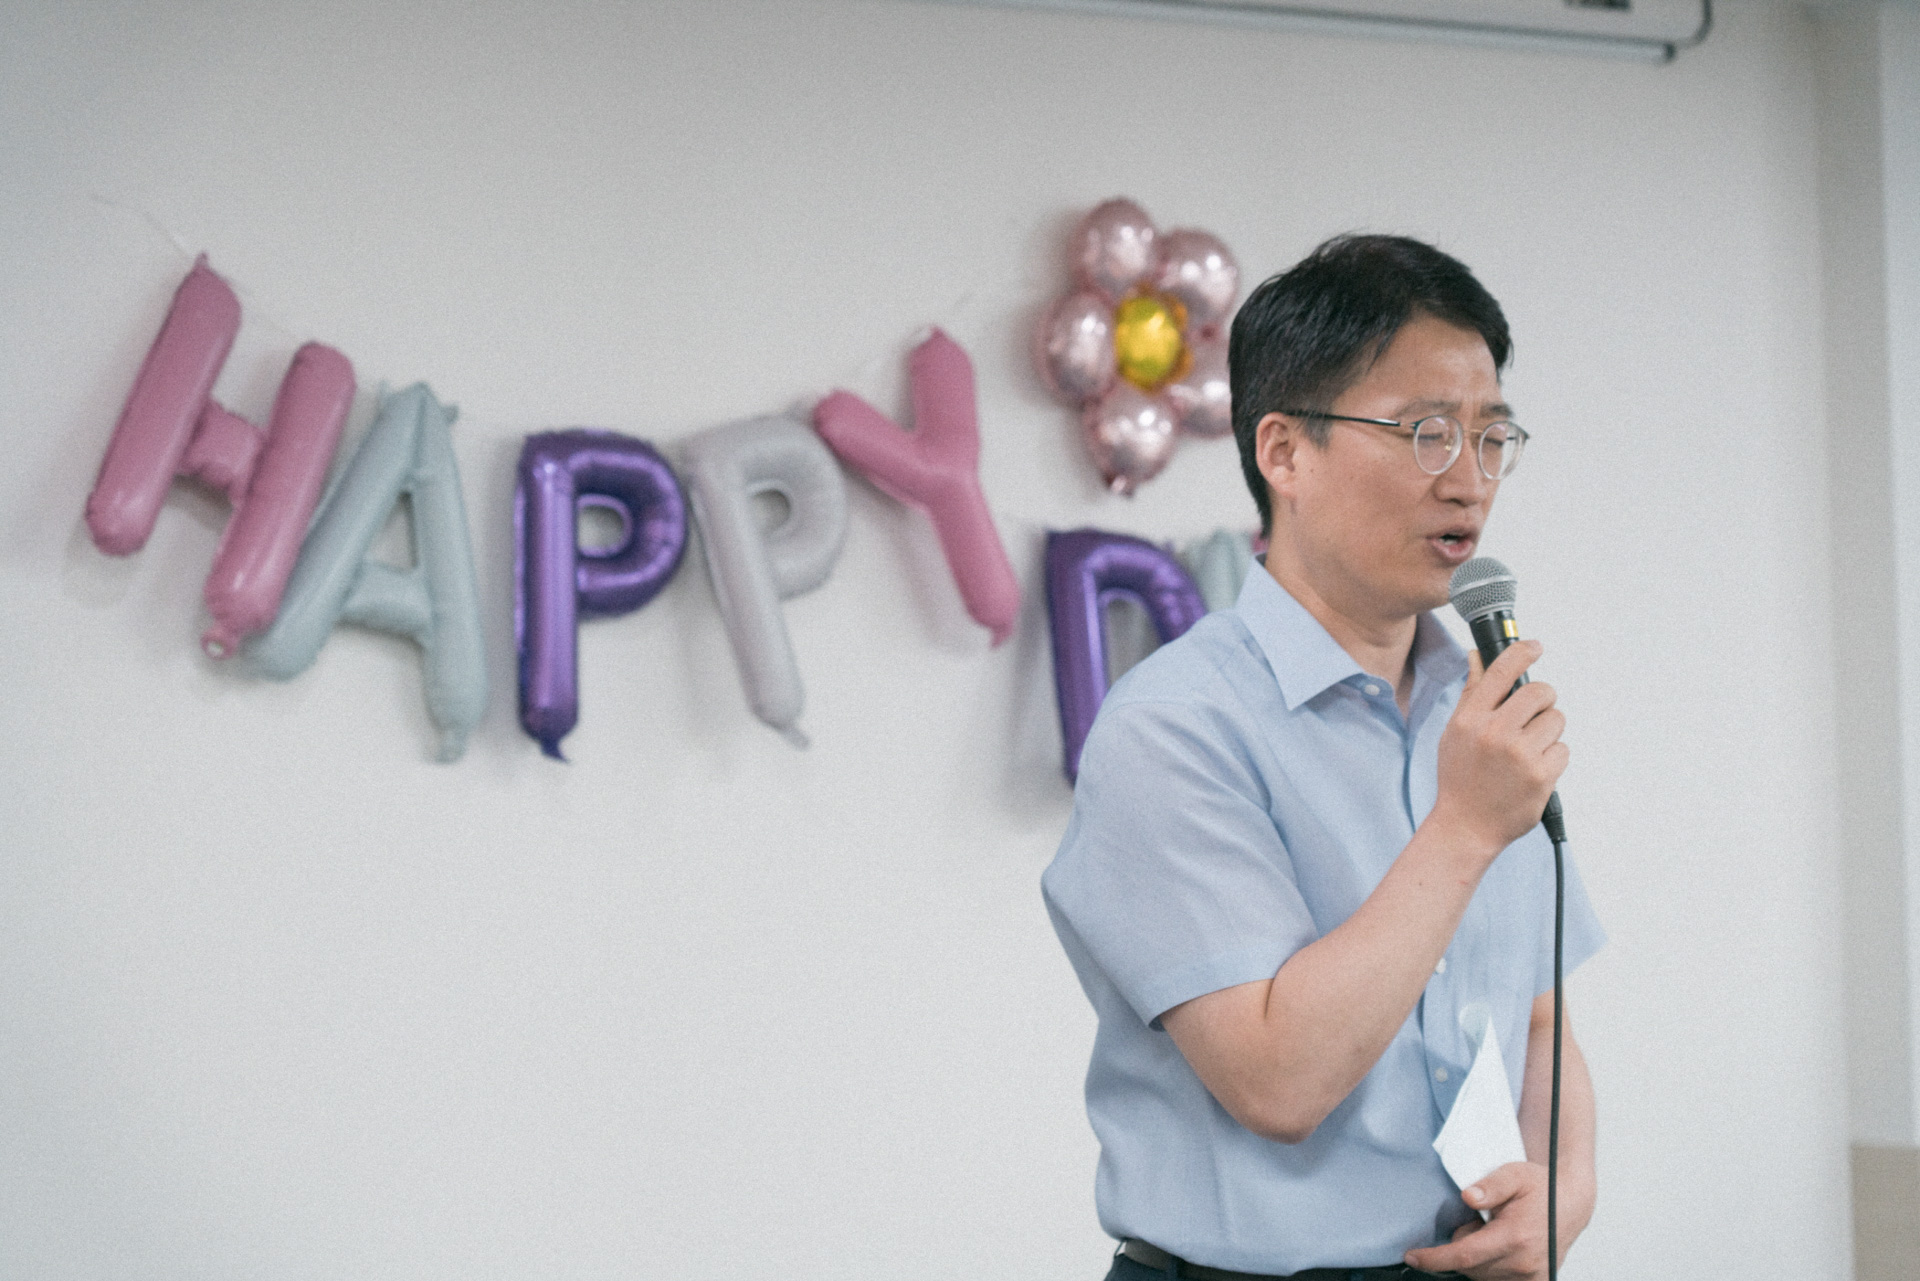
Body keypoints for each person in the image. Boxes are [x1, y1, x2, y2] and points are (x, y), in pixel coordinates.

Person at [1042, 234, 1604, 1281]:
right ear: (1285, 453)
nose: (1468, 480)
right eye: (1426, 433)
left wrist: (1565, 1189)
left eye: (1491, 436)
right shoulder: (1174, 726)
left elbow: (1536, 1014)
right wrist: (1463, 829)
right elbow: (1278, 1082)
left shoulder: (1474, 706)